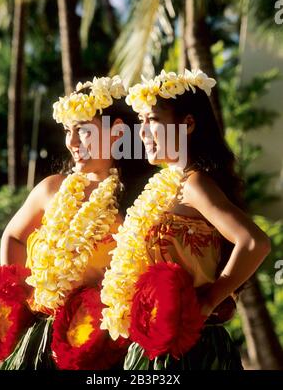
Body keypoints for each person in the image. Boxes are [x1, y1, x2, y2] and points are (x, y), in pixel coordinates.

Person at [100, 69, 271, 370]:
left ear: (187, 124)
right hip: (155, 344)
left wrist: (210, 300)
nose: (142, 133)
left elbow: (254, 241)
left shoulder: (195, 184)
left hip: (190, 349)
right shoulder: (166, 185)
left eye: (152, 121)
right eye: (141, 123)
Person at [0, 75, 153, 370]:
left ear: (117, 134)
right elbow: (13, 237)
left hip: (100, 346)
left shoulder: (139, 201)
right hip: (39, 338)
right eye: (68, 131)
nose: (71, 142)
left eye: (82, 131)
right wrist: (19, 296)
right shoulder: (51, 188)